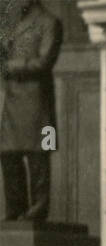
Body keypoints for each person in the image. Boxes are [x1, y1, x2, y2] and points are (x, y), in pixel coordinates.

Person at [1, 0, 62, 222]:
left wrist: (10, 66)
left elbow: (44, 62)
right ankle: (14, 210)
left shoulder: (50, 22)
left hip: (40, 105)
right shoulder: (12, 23)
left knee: (40, 158)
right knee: (8, 155)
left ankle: (38, 210)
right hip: (13, 105)